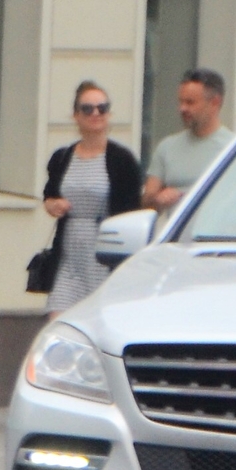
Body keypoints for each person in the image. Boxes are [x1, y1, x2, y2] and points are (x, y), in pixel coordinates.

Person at [39, 81, 143, 312]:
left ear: (109, 114)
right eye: (87, 109)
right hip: (70, 254)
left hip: (105, 254)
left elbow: (132, 210)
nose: (95, 113)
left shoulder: (122, 160)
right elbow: (49, 194)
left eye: (102, 108)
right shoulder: (63, 157)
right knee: (59, 320)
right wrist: (52, 204)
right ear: (76, 115)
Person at [141, 66, 234, 212]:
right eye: (181, 102)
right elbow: (146, 202)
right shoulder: (166, 148)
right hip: (176, 233)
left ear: (215, 103)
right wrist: (158, 200)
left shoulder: (233, 148)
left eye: (190, 102)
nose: (182, 109)